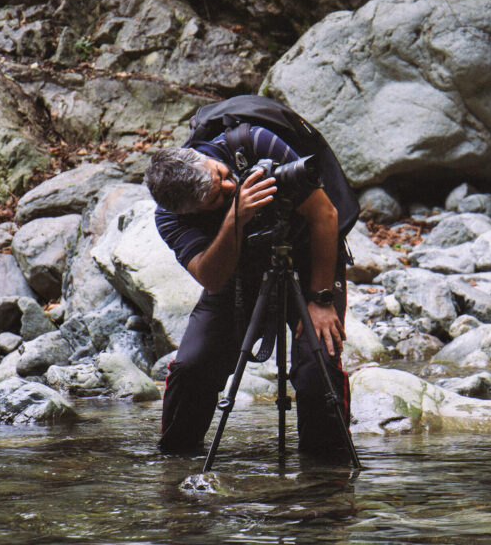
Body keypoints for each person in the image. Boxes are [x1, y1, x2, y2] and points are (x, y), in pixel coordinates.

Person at [144, 125, 350, 458]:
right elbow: (210, 277)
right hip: (235, 273)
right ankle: (176, 472)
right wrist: (234, 218)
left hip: (311, 258)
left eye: (223, 175)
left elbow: (325, 215)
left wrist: (322, 299)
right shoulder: (171, 217)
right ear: (191, 212)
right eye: (218, 198)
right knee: (192, 369)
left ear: (204, 157)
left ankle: (327, 481)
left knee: (317, 369)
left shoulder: (253, 142)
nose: (231, 186)